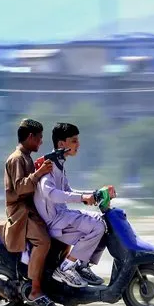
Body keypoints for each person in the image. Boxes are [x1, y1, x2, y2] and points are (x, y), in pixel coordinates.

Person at [34, 122, 116, 288]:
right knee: (97, 227)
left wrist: (94, 193)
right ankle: (64, 268)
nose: (78, 144)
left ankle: (81, 265)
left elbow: (68, 190)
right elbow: (51, 194)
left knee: (104, 222)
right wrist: (82, 197)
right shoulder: (48, 165)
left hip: (63, 216)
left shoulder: (59, 163)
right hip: (55, 221)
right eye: (74, 141)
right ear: (61, 144)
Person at [0, 118, 56, 306]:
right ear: (30, 137)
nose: (41, 142)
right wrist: (39, 173)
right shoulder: (16, 159)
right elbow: (20, 188)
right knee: (43, 241)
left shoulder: (26, 157)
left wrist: (38, 168)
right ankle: (35, 291)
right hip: (21, 212)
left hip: (31, 209)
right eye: (39, 138)